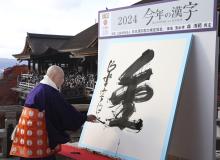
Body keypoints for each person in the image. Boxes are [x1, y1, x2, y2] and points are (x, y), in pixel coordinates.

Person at [10, 65, 96, 160]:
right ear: (54, 76)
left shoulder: (37, 89)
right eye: (61, 78)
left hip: (26, 133)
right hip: (39, 135)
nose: (63, 81)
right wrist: (85, 118)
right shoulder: (50, 92)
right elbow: (66, 112)